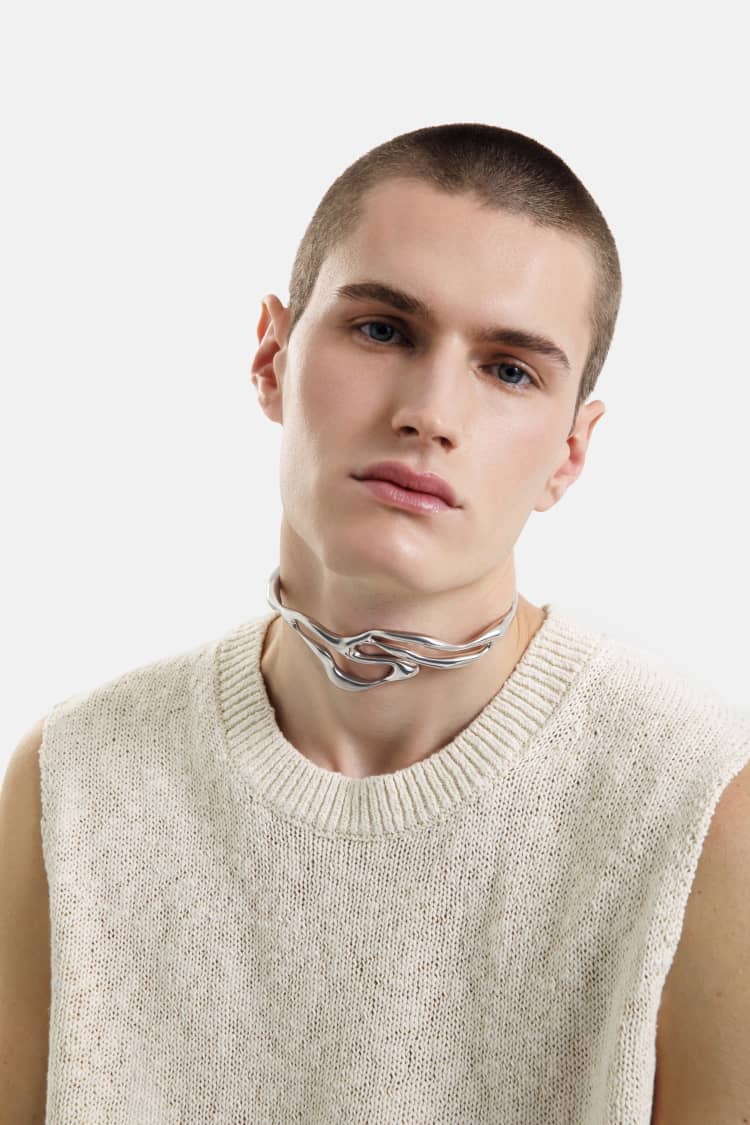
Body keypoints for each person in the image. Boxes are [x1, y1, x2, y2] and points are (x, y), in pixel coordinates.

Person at [2, 122, 749, 1123]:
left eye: (510, 370)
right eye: (384, 330)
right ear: (271, 356)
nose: (429, 412)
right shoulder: (76, 782)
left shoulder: (698, 808)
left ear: (571, 452)